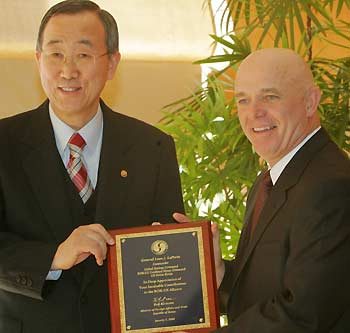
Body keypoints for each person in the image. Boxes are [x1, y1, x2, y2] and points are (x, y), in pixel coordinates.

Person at [0, 1, 184, 332]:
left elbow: (166, 261)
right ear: (39, 59)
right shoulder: (3, 144)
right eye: (56, 54)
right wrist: (54, 257)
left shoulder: (152, 148)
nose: (67, 71)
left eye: (83, 55)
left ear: (112, 63)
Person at [174, 48, 350, 332]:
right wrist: (218, 274)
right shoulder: (268, 182)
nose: (254, 113)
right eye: (243, 100)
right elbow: (265, 291)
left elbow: (305, 314)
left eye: (270, 97)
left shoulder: (331, 186)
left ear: (309, 102)